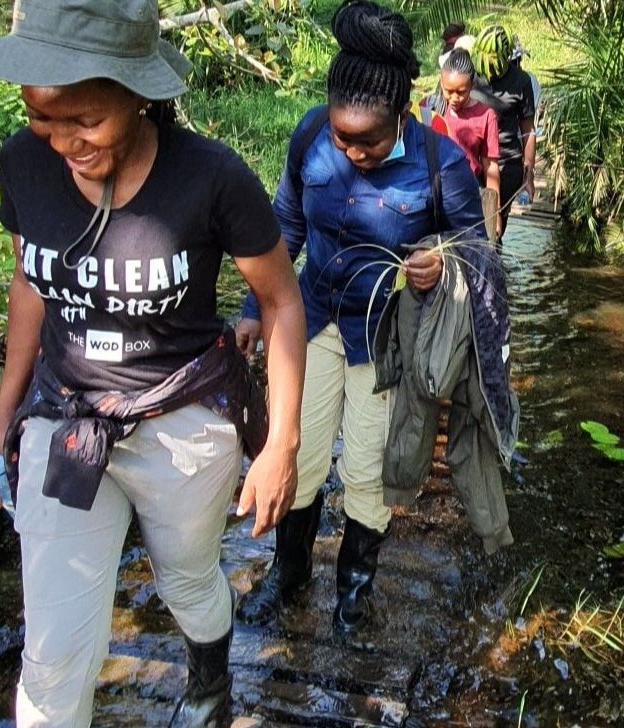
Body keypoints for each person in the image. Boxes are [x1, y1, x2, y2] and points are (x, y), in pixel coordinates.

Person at [0, 1, 307, 726]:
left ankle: (209, 679)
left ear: (138, 93)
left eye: (84, 121)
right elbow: (29, 286)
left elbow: (280, 302)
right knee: (53, 653)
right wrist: (1, 424)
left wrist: (282, 446)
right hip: (67, 420)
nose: (61, 143)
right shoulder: (23, 163)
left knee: (186, 583)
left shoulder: (210, 177)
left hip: (183, 420)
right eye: (41, 118)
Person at [233, 0, 485, 634]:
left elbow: (477, 252)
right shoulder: (310, 134)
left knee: (370, 471)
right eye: (342, 138)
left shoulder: (441, 164)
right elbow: (284, 224)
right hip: (310, 322)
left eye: (367, 140)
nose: (352, 150)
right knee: (301, 455)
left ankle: (354, 595)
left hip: (386, 340)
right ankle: (287, 577)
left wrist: (439, 262)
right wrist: (249, 309)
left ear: (402, 115)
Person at [423, 49, 502, 235]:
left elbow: (490, 166)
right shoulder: (427, 109)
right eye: (448, 91)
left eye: (461, 92)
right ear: (441, 83)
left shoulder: (486, 115)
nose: (454, 98)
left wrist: (495, 213)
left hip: (467, 195)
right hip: (430, 192)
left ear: (472, 85)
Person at [473, 24, 537, 241]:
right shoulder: (470, 77)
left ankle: (494, 265)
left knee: (497, 227)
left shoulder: (521, 81)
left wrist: (528, 176)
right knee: (476, 224)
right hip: (474, 161)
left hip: (507, 162)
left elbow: (528, 130)